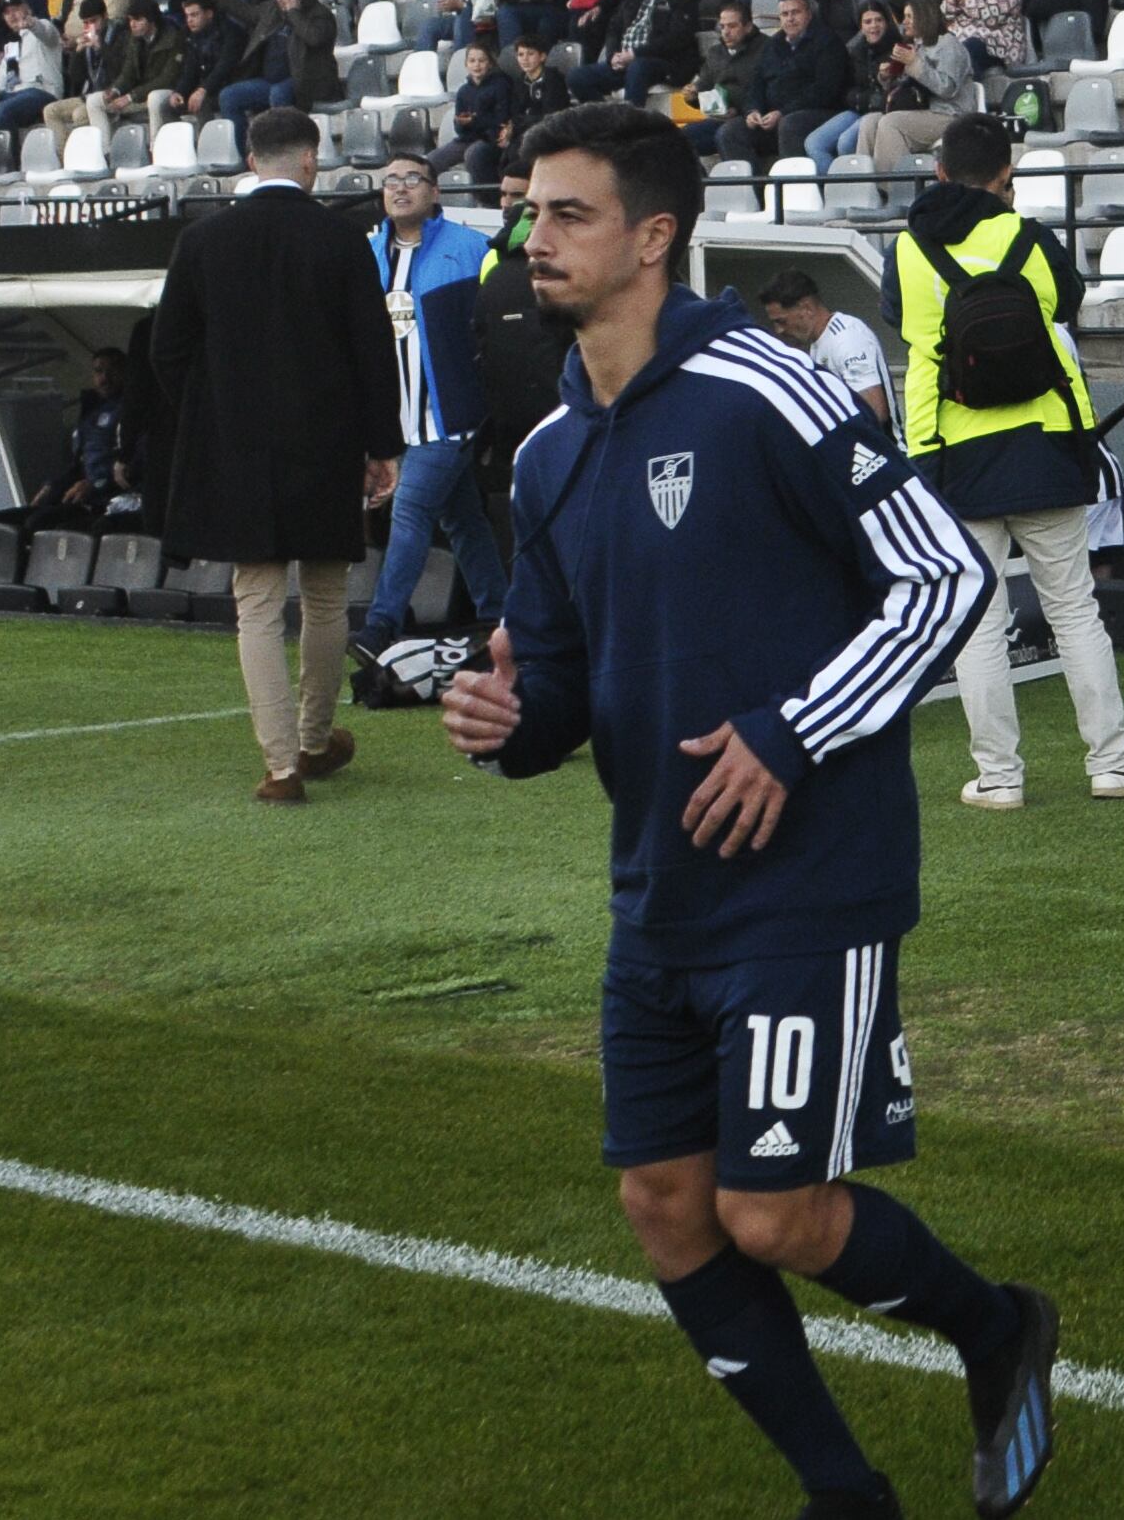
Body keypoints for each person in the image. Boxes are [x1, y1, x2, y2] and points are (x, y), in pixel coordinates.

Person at [435, 102, 1057, 1520]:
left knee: (770, 1214)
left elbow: (944, 579)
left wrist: (791, 731)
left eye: (571, 214)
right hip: (658, 886)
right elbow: (559, 683)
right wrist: (503, 722)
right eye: (533, 211)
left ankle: (993, 1325)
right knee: (664, 1204)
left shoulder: (766, 387)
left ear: (655, 237)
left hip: (807, 876)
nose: (539, 238)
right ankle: (846, 1493)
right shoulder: (547, 454)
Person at [896, 117, 1124, 809]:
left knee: (978, 620)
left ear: (940, 174)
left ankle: (998, 777)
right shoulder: (1031, 238)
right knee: (1075, 609)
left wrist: (923, 459)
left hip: (955, 451)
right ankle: (1113, 762)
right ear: (1005, 175)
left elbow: (923, 357)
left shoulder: (909, 248)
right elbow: (1065, 305)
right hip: (1045, 441)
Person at [154, 109, 403, 803]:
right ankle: (317, 739)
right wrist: (381, 444)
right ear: (309, 161)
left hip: (238, 447)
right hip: (324, 443)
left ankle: (281, 766)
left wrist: (214, 413)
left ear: (251, 158)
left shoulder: (202, 239)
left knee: (255, 603)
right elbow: (371, 351)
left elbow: (166, 348)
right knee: (325, 597)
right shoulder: (341, 239)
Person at [354, 158, 510, 667]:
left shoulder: (468, 248)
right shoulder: (369, 253)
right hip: (397, 422)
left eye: (412, 180)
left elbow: (492, 326)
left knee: (411, 509)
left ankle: (380, 626)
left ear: (435, 191)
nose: (400, 189)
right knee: (463, 518)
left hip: (450, 418)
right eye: (391, 182)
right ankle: (502, 617)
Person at [756, 271, 891, 421]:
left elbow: (875, 411)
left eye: (782, 321)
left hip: (876, 444)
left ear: (807, 308)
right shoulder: (819, 343)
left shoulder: (847, 337)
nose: (779, 330)